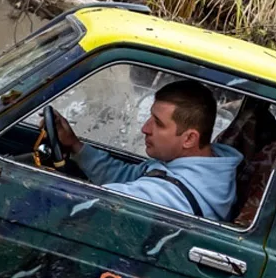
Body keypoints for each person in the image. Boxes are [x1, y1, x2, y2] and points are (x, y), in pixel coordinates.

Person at [44, 79, 243, 222]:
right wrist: (75, 146)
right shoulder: (207, 163)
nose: (145, 128)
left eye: (158, 123)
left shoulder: (169, 197)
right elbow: (127, 176)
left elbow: (87, 204)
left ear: (189, 138)